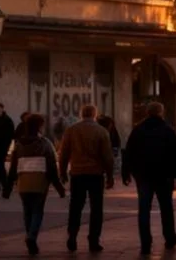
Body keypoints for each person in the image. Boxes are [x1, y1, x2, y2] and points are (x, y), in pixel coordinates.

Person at [121, 101, 176, 256]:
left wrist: (126, 172)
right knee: (166, 208)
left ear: (147, 113)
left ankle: (146, 244)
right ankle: (169, 237)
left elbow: (129, 152)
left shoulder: (138, 130)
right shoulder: (168, 130)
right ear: (161, 112)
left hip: (143, 175)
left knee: (144, 209)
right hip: (164, 175)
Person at [4, 113, 66, 256]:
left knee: (27, 211)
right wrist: (59, 188)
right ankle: (31, 237)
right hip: (40, 183)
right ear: (40, 126)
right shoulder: (44, 144)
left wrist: (7, 189)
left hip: (23, 183)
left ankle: (29, 236)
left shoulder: (19, 145)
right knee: (37, 211)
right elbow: (51, 168)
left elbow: (13, 168)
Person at [59, 105, 116, 253]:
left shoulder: (71, 130)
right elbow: (107, 157)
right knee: (96, 208)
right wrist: (110, 176)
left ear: (81, 114)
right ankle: (93, 240)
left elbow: (63, 153)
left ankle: (72, 235)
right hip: (95, 174)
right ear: (95, 115)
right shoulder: (101, 131)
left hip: (77, 173)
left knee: (75, 206)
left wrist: (62, 171)